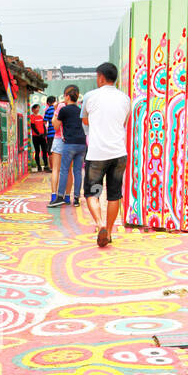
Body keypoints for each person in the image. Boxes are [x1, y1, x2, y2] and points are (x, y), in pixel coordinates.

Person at [81, 62, 132, 246]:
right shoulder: (125, 99)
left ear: (101, 77)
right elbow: (124, 122)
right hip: (119, 153)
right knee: (114, 194)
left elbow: (85, 120)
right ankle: (109, 232)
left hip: (97, 154)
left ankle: (100, 224)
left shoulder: (91, 97)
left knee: (93, 192)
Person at [49, 85, 86, 207]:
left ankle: (59, 197)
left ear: (68, 96)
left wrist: (55, 112)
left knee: (64, 170)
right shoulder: (80, 109)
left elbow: (55, 126)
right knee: (77, 172)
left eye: (65, 95)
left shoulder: (64, 109)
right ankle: (76, 199)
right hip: (81, 143)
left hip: (69, 143)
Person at [29, 104, 48, 172]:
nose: (37, 110)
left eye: (38, 108)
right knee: (37, 151)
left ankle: (46, 165)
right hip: (36, 137)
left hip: (42, 137)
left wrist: (45, 134)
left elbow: (43, 126)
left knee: (44, 151)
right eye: (36, 108)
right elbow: (33, 126)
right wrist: (38, 134)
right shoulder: (31, 117)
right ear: (33, 110)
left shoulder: (40, 117)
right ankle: (39, 166)